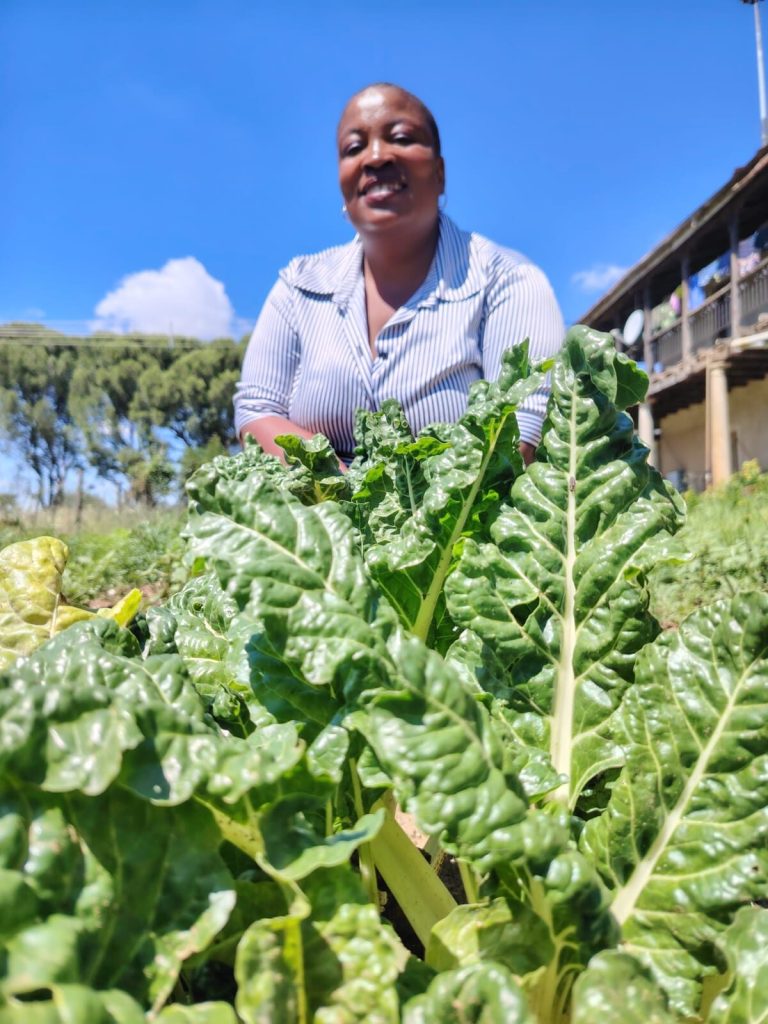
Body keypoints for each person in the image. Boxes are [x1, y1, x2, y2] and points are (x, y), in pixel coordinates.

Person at [234, 83, 564, 466]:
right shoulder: (299, 285)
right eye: (354, 148)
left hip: (465, 506)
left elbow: (519, 435)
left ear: (440, 173)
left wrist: (396, 502)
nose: (375, 157)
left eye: (402, 138)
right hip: (313, 504)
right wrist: (338, 489)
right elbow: (257, 409)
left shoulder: (507, 279)